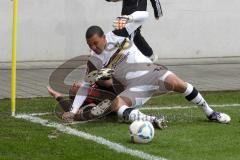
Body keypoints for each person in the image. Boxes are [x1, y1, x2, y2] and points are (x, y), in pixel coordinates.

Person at [62, 11, 230, 127]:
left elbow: (145, 16)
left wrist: (129, 17)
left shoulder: (119, 34)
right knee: (117, 106)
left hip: (151, 72)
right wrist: (73, 111)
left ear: (104, 38)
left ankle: (210, 113)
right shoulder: (93, 60)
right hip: (135, 87)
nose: (93, 47)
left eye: (95, 43)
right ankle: (152, 120)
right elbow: (85, 85)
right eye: (89, 44)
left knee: (180, 84)